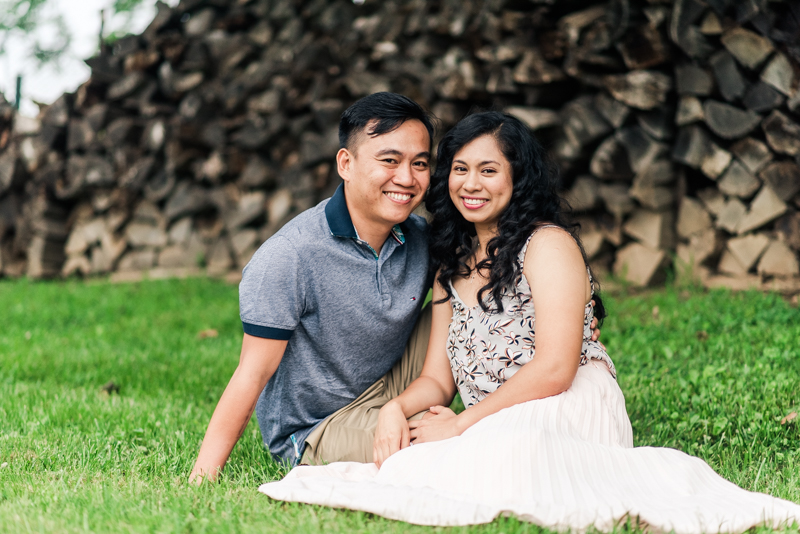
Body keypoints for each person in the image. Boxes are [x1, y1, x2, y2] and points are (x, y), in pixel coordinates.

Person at [259, 112, 800, 533]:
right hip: (495, 412)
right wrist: (395, 411)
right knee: (417, 462)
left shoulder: (548, 245)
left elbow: (557, 367)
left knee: (502, 458)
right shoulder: (450, 263)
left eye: (489, 170)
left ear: (517, 178)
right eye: (460, 170)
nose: (472, 184)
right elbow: (437, 380)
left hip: (566, 399)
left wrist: (460, 425)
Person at [189, 93, 603, 482]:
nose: (405, 178)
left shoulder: (426, 241)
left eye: (420, 163)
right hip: (320, 424)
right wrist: (202, 478)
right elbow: (251, 373)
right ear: (345, 163)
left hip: (392, 386)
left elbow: (516, 295)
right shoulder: (289, 256)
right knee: (439, 453)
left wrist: (578, 325)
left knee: (457, 321)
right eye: (389, 160)